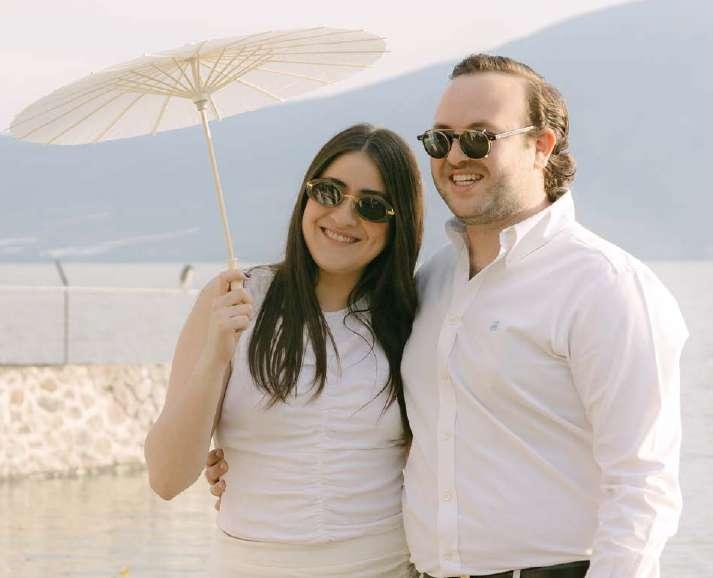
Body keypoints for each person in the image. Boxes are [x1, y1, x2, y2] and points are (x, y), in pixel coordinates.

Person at [207, 54, 688, 578]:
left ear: (541, 146)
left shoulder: (605, 286)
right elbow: (406, 438)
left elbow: (644, 483)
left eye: (479, 138)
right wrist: (254, 463)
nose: (456, 155)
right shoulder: (430, 285)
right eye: (441, 140)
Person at [145, 123, 424, 577]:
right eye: (329, 192)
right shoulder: (234, 300)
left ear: (398, 224)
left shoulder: (414, 315)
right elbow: (167, 478)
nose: (343, 217)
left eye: (371, 206)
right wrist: (215, 357)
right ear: (306, 196)